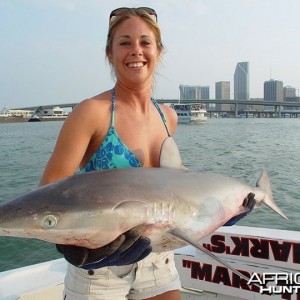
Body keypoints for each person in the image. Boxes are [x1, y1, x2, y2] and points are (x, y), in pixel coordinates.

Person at [40, 7, 182, 300]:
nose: (136, 51)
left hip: (158, 259)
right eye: (125, 42)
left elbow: (171, 182)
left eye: (145, 42)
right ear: (109, 53)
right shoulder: (92, 112)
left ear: (159, 51)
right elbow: (48, 193)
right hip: (99, 271)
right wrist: (78, 247)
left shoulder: (168, 116)